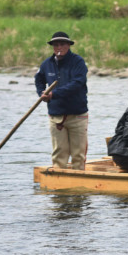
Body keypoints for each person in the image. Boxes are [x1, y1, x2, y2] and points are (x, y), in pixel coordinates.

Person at [35, 31, 89, 170]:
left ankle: (78, 188)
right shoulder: (47, 64)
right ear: (53, 47)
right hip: (56, 115)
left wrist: (54, 94)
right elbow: (39, 79)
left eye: (62, 44)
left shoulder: (78, 62)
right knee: (59, 154)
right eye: (56, 45)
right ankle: (59, 187)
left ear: (68, 46)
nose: (59, 47)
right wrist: (42, 93)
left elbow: (77, 83)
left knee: (78, 155)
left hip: (77, 115)